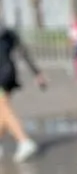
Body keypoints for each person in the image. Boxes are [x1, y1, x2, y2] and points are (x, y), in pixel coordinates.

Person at [0, 24, 46, 162]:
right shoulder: (8, 32)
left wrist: (37, 73)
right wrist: (36, 73)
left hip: (1, 74)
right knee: (2, 111)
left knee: (3, 107)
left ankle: (24, 141)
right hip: (10, 72)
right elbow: (23, 52)